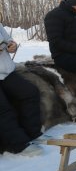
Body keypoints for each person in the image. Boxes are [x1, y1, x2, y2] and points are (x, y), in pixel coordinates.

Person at [0, 24, 44, 156]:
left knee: (30, 93)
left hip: (6, 71)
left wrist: (12, 45)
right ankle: (18, 144)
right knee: (3, 108)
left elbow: (8, 39)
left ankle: (32, 133)